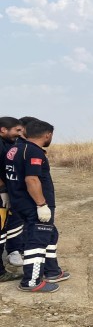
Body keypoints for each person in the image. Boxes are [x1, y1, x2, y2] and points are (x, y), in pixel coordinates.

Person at [5, 119, 70, 292]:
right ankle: (31, 281)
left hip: (20, 202)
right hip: (33, 203)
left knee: (50, 234)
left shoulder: (15, 148)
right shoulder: (33, 152)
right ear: (48, 135)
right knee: (38, 239)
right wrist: (41, 204)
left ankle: (52, 271)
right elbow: (32, 179)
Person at [5, 116, 40, 268]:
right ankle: (14, 250)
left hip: (25, 192)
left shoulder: (26, 146)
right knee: (15, 222)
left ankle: (24, 247)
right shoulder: (13, 145)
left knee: (26, 222)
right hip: (15, 191)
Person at [0, 116, 24, 282]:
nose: (19, 133)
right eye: (17, 130)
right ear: (3, 129)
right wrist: (2, 190)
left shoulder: (9, 143)